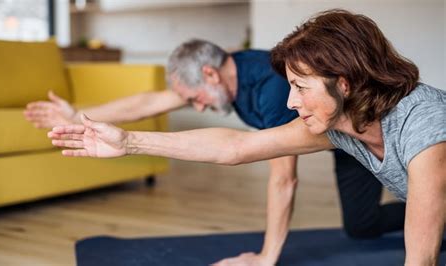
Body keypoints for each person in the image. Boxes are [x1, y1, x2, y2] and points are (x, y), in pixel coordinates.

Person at [45, 28, 429, 264]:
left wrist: (267, 258)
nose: (196, 105)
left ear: (209, 74)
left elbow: (283, 180)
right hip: (346, 140)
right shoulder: (227, 70)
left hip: (368, 137)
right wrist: (85, 116)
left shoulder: (273, 91)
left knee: (418, 203)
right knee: (362, 227)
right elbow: (160, 107)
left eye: (195, 98)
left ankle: (431, 209)